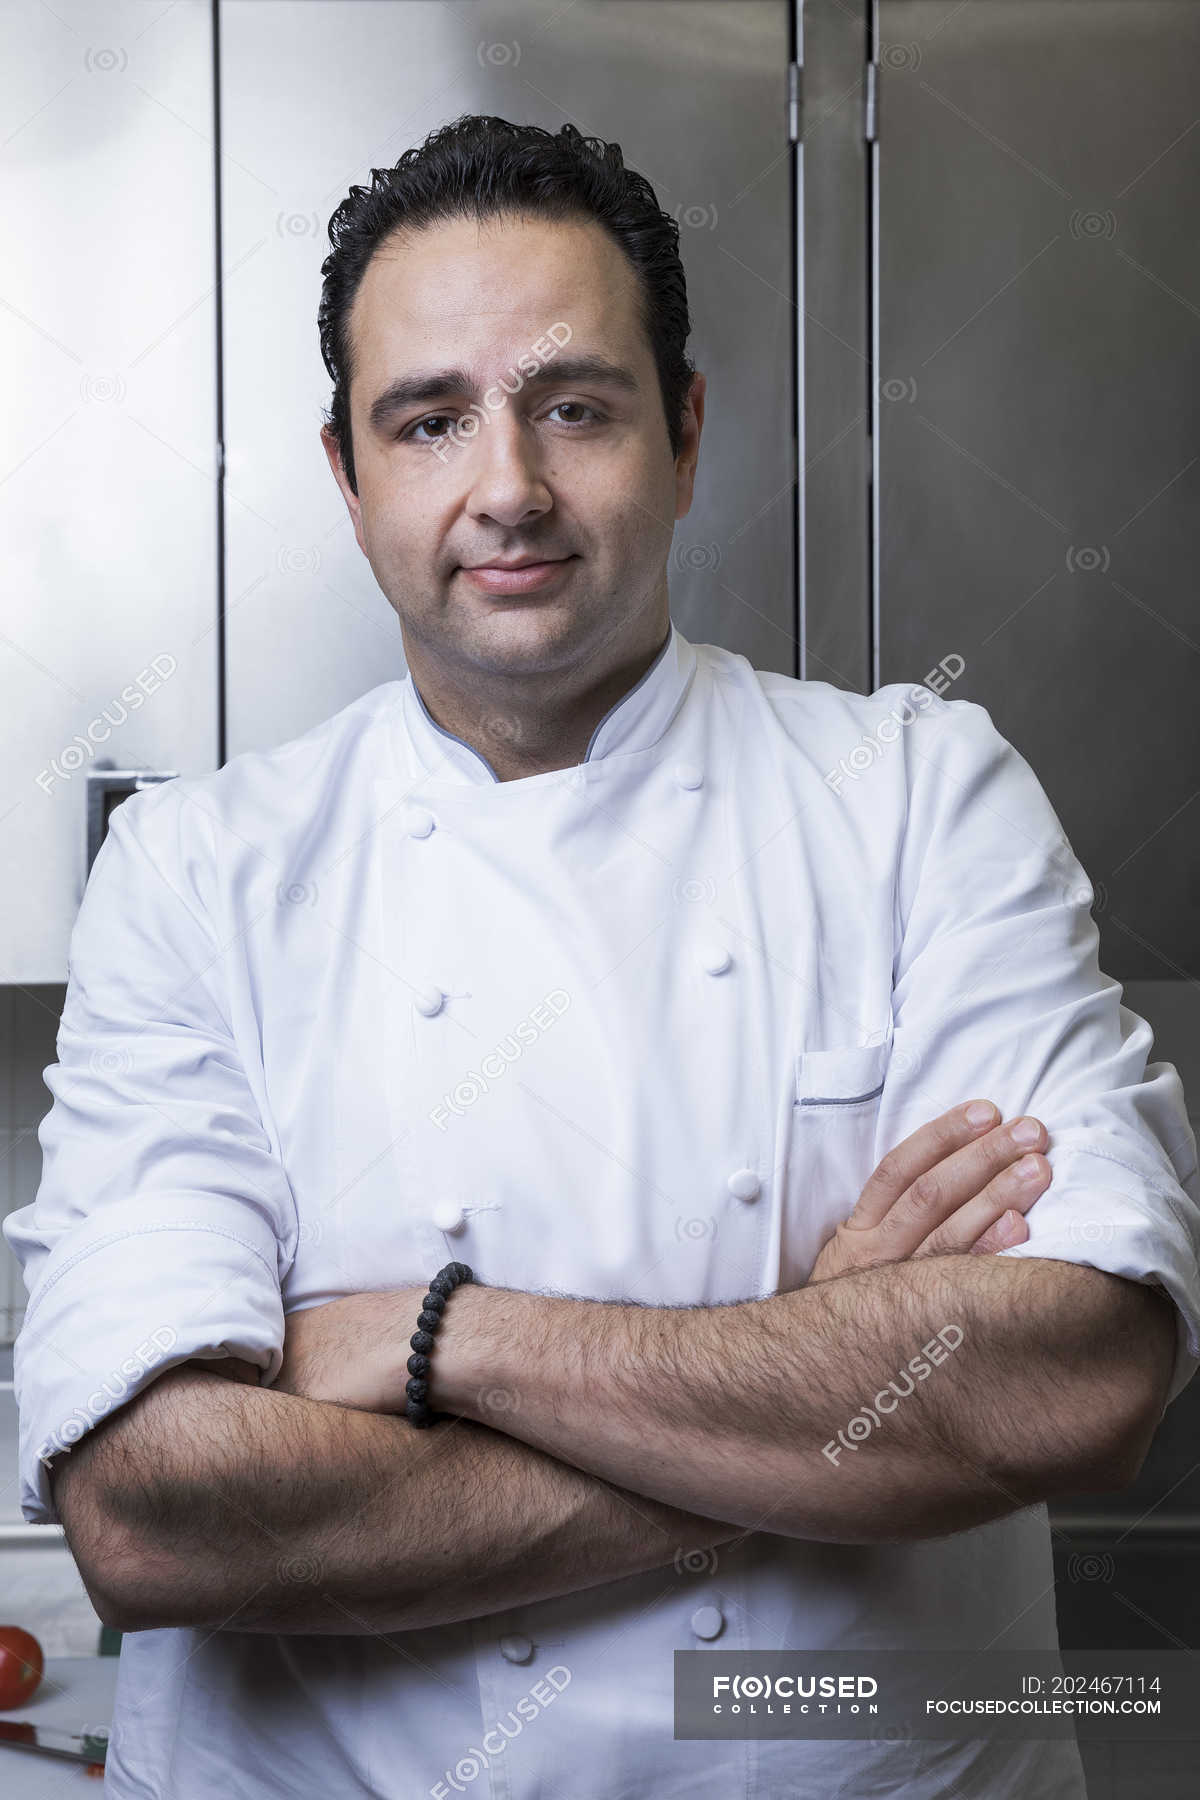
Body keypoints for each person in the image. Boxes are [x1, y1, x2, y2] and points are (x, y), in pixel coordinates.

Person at [6, 115, 1198, 1800]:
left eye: (575, 406)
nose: (508, 487)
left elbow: (1079, 1376)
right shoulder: (199, 872)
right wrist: (817, 1379)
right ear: (347, 476)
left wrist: (445, 1339)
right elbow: (151, 1514)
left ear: (686, 433)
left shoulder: (915, 795)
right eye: (430, 420)